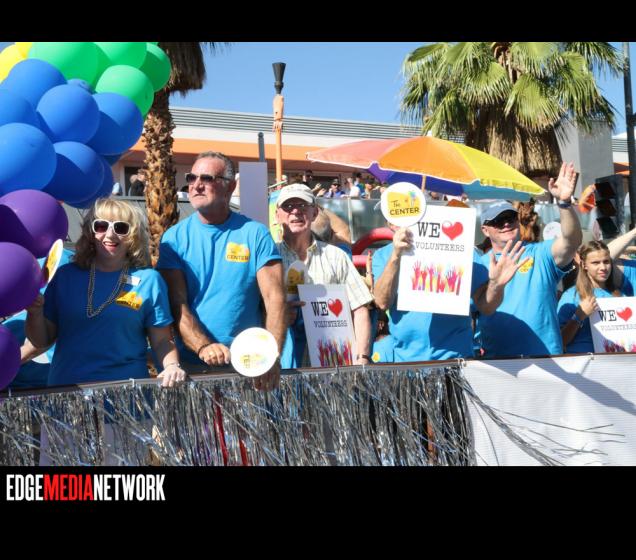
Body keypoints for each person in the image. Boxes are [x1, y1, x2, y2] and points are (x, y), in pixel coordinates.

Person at [156, 151, 286, 391]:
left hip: (250, 365)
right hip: (192, 368)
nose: (196, 185)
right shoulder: (174, 238)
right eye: (192, 178)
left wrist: (271, 355)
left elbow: (275, 298)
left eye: (207, 178)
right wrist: (204, 346)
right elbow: (177, 303)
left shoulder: (255, 233)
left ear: (230, 187)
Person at [25, 198, 185, 388]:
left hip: (126, 392)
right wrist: (34, 313)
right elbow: (42, 340)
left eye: (121, 228)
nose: (110, 234)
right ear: (90, 233)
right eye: (101, 226)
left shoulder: (149, 281)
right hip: (69, 391)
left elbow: (161, 341)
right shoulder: (65, 276)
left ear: (133, 235)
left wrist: (172, 366)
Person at [373, 223, 527, 362]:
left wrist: (496, 285)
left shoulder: (461, 248)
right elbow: (382, 302)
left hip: (455, 361)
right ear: (388, 223)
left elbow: (486, 307)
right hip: (405, 361)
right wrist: (395, 256)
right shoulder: (382, 255)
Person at [476, 162, 582, 358]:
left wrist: (564, 203)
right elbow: (475, 312)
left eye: (510, 218)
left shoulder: (540, 253)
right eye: (498, 221)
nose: (506, 224)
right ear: (485, 230)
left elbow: (571, 241)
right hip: (499, 362)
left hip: (545, 358)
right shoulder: (478, 264)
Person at [275, 184, 373, 368]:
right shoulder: (268, 256)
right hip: (280, 366)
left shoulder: (337, 256)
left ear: (314, 213)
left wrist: (362, 358)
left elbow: (360, 310)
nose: (295, 211)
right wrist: (276, 313)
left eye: (302, 205)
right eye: (288, 206)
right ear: (277, 215)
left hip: (330, 367)